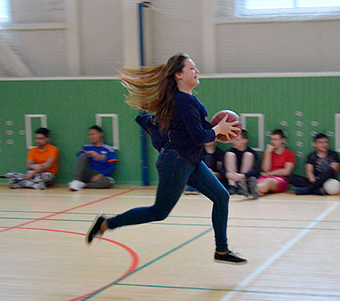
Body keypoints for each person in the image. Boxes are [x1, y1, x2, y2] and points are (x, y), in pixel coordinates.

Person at [86, 53, 247, 265]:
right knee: (159, 211)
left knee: (222, 197)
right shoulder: (183, 101)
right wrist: (218, 129)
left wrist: (219, 130)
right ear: (179, 75)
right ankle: (106, 224)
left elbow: (197, 133)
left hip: (189, 160)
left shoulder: (187, 101)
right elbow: (200, 136)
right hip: (176, 162)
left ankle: (222, 250)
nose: (196, 71)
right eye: (192, 68)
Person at [68, 125, 118, 191]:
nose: (91, 137)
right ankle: (76, 181)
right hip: (87, 173)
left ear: (100, 135)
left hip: (100, 175)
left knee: (109, 181)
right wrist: (90, 152)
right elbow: (79, 156)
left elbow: (111, 167)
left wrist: (100, 175)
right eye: (89, 135)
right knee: (83, 155)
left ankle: (83, 185)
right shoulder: (86, 147)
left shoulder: (109, 149)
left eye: (93, 134)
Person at [257, 129, 295, 196]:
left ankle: (253, 190)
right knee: (262, 183)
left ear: (283, 140)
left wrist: (270, 173)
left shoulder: (289, 153)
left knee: (269, 181)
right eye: (272, 139)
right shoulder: (268, 153)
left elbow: (286, 171)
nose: (273, 142)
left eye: (276, 139)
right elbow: (265, 169)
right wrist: (268, 153)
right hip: (266, 177)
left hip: (280, 179)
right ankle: (257, 190)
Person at [222, 129, 259, 198]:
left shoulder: (252, 153)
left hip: (244, 178)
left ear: (245, 141)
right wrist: (229, 175)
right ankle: (232, 186)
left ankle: (242, 185)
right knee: (229, 155)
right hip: (231, 179)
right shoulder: (229, 152)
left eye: (237, 139)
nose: (234, 142)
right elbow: (222, 171)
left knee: (248, 155)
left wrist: (243, 176)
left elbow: (256, 170)